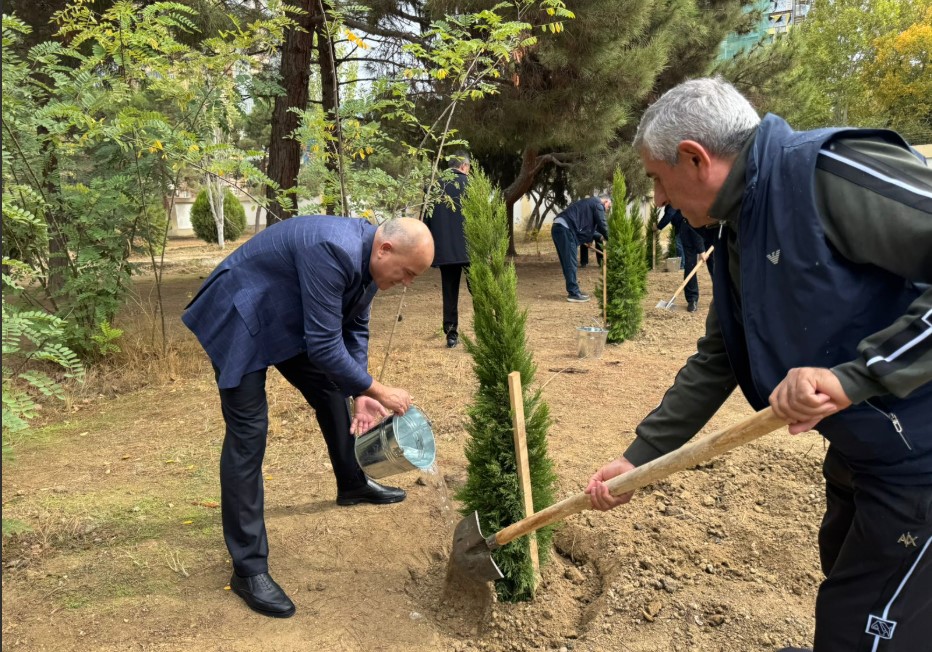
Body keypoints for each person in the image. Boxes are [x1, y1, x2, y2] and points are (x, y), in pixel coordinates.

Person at [586, 78, 931, 651]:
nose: (660, 199)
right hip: (867, 455)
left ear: (695, 158)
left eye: (657, 178)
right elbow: (721, 354)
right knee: (852, 599)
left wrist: (854, 376)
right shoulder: (742, 226)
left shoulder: (827, 173)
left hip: (920, 463)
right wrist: (638, 459)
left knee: (865, 625)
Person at [182, 216, 434, 618]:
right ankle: (248, 569)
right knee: (249, 434)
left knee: (332, 391)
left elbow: (355, 327)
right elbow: (323, 345)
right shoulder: (332, 249)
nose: (406, 283)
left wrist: (361, 392)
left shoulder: (371, 261)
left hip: (281, 312)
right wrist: (378, 390)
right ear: (385, 249)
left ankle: (352, 484)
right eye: (407, 273)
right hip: (240, 311)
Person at [425, 151, 471, 348]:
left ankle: (451, 334)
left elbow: (427, 220)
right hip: (471, 248)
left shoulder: (434, 187)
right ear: (464, 166)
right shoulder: (472, 185)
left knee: (449, 292)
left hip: (446, 250)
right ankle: (485, 330)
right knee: (479, 291)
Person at [551, 194, 611, 302]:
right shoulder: (598, 204)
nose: (606, 210)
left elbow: (589, 228)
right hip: (565, 229)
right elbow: (603, 224)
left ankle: (574, 290)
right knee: (570, 262)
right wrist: (612, 239)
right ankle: (573, 293)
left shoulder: (590, 204)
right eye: (608, 206)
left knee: (568, 263)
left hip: (559, 227)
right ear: (606, 201)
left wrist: (600, 237)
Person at [654, 205, 712, 312]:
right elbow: (693, 221)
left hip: (711, 228)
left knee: (715, 265)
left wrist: (702, 250)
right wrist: (701, 250)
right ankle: (692, 299)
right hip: (689, 229)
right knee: (690, 265)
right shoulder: (682, 202)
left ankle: (722, 296)